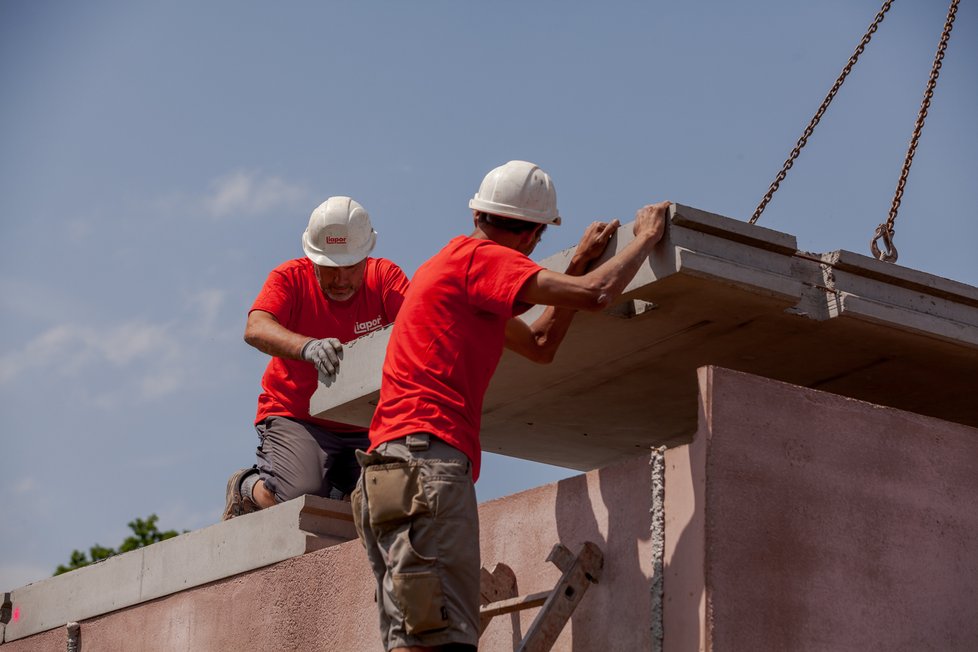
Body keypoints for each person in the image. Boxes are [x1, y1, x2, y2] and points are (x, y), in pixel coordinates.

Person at [352, 160, 670, 651]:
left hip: (390, 476)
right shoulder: (482, 260)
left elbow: (541, 343)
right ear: (532, 235)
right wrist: (644, 238)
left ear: (479, 211)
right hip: (425, 466)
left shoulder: (451, 271)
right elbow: (599, 294)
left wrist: (576, 266)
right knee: (443, 640)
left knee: (417, 638)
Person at [223, 196, 410, 520]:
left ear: (366, 256)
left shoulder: (384, 278)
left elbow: (415, 329)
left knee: (392, 498)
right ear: (312, 259)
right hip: (298, 415)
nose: (340, 280)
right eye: (329, 268)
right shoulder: (290, 278)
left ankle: (337, 487)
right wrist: (306, 347)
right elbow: (256, 327)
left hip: (365, 420)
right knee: (301, 503)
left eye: (350, 267)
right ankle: (247, 487)